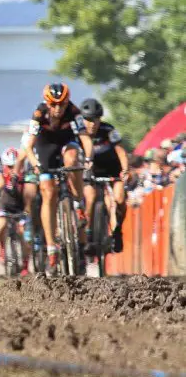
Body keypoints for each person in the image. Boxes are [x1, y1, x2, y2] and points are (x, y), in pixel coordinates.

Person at [21, 83, 94, 271]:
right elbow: (28, 146)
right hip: (45, 148)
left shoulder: (74, 111)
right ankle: (52, 247)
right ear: (47, 103)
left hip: (66, 143)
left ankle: (77, 202)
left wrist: (88, 158)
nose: (57, 109)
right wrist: (35, 165)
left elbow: (85, 139)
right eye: (53, 104)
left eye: (61, 104)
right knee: (48, 193)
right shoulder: (39, 114)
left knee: (72, 160)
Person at [79, 98, 129, 254]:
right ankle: (88, 233)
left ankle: (117, 230)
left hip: (113, 170)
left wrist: (125, 170)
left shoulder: (109, 130)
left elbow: (121, 152)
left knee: (119, 199)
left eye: (95, 119)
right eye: (88, 120)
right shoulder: (78, 133)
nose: (92, 124)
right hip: (90, 172)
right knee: (90, 198)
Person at [0, 147, 30, 275]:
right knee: (0, 227)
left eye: (14, 166)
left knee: (23, 235)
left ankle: (25, 264)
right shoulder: (0, 169)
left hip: (21, 207)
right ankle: (2, 248)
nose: (11, 169)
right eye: (9, 166)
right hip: (5, 206)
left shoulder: (25, 172)